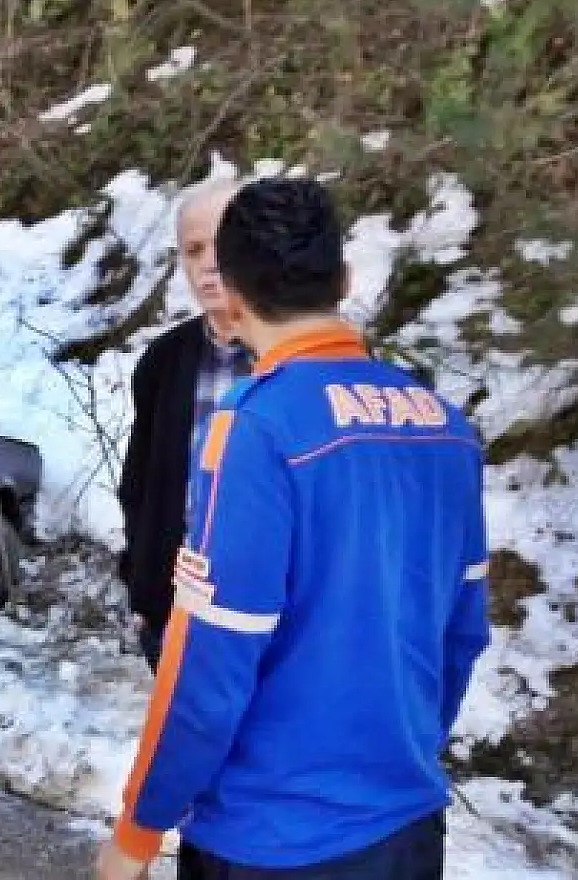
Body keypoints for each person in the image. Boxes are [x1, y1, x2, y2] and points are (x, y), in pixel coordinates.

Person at [95, 178, 492, 880]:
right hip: (406, 825)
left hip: (269, 835)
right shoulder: (445, 426)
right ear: (343, 279)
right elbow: (461, 635)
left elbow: (211, 667)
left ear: (236, 297)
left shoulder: (255, 428)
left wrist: (136, 831)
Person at [117, 179, 254, 671]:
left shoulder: (305, 361)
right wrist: (143, 586)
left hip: (272, 620)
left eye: (223, 242)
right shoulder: (165, 361)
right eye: (194, 250)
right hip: (178, 614)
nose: (209, 263)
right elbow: (140, 484)